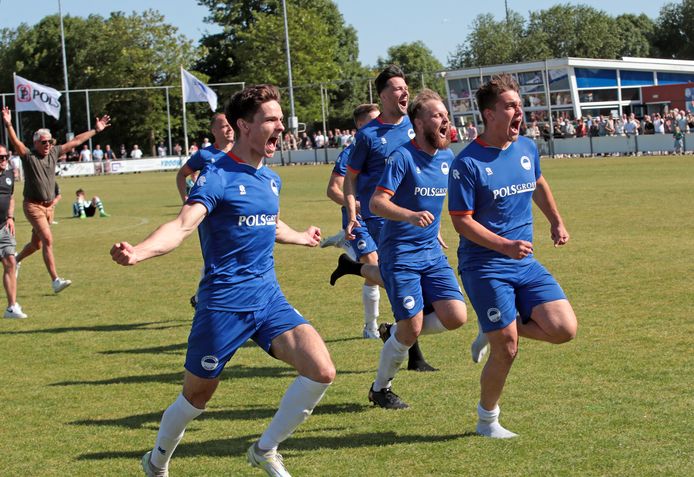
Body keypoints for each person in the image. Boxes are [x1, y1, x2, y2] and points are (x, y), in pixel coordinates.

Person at [111, 84, 334, 477]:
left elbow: (267, 223)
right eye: (271, 120)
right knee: (196, 397)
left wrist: (299, 236)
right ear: (244, 126)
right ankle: (157, 461)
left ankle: (265, 450)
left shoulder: (271, 180)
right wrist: (139, 252)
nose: (280, 126)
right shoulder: (215, 177)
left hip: (268, 298)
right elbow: (182, 226)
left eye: (280, 119)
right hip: (222, 304)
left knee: (321, 370)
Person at [447, 74, 577, 438]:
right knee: (507, 348)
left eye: (520, 104)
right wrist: (503, 245)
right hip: (484, 265)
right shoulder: (467, 164)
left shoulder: (526, 149)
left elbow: (538, 183)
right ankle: (487, 420)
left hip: (524, 262)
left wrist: (556, 221)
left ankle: (492, 328)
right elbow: (461, 222)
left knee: (564, 329)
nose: (519, 111)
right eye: (511, 106)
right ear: (489, 115)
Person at [366, 89, 468, 409]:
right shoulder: (402, 157)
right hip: (401, 253)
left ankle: (394, 331)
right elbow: (377, 202)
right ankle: (380, 389)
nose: (445, 119)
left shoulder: (446, 157)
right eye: (437, 115)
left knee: (456, 316)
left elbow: (440, 202)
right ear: (419, 122)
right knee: (413, 328)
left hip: (431, 252)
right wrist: (410, 216)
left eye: (445, 115)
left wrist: (434, 228)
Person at [340, 64, 434, 371]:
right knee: (403, 279)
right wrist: (353, 213)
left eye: (406, 86)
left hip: (413, 217)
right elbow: (349, 178)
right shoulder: (368, 135)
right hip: (381, 219)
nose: (404, 91)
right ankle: (413, 355)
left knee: (403, 279)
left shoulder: (416, 126)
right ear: (382, 95)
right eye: (397, 87)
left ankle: (356, 270)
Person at [2, 106, 111, 293]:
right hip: (33, 206)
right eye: (44, 142)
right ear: (36, 143)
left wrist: (96, 130)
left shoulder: (53, 153)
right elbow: (16, 142)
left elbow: (76, 141)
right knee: (48, 240)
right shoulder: (29, 157)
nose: (48, 145)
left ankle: (17, 261)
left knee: (36, 244)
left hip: (49, 207)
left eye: (50, 142)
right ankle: (55, 280)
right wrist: (9, 124)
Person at [323, 103, 381, 338]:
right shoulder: (350, 152)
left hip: (382, 216)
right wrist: (353, 204)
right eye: (373, 120)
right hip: (358, 218)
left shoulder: (384, 147)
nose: (379, 124)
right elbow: (332, 189)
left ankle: (344, 243)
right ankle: (371, 327)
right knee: (372, 263)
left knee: (382, 268)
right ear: (359, 125)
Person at [175, 113, 235, 203]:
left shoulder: (243, 151)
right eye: (225, 126)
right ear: (214, 131)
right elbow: (181, 174)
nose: (230, 129)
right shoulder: (204, 154)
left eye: (231, 125)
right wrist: (185, 199)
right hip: (213, 212)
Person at [0, 144, 26, 318]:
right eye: (0, 157)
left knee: (11, 261)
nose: (3, 160)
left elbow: (11, 197)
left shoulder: (9, 175)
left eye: (5, 157)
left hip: (3, 226)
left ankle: (11, 307)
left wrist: (10, 217)